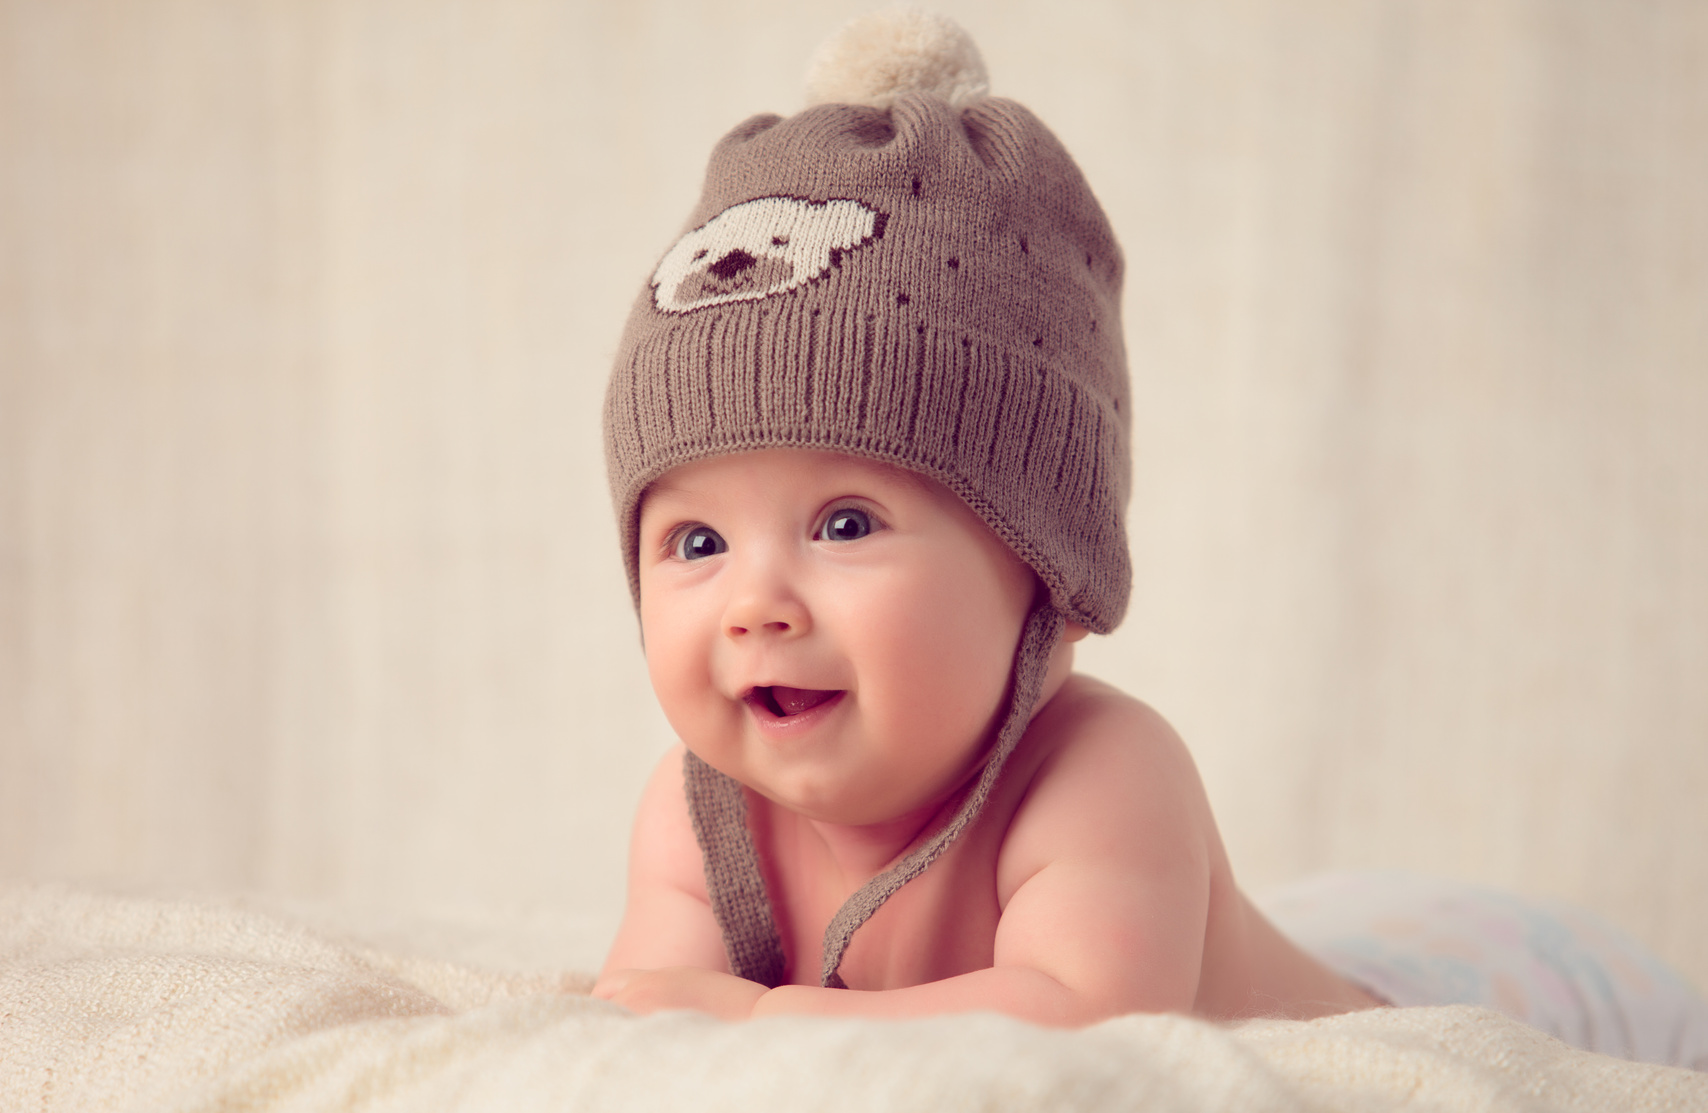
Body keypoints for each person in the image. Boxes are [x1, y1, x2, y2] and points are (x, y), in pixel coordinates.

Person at [590, 11, 1708, 1065]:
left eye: (844, 524)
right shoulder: (696, 817)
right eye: (694, 543)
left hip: (1448, 977)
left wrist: (763, 1014)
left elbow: (1083, 1019)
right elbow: (651, 1010)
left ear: (1047, 569)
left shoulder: (1099, 774)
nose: (754, 603)